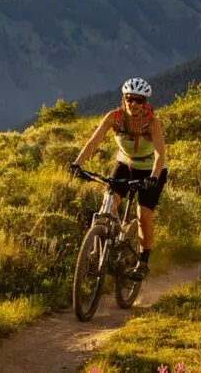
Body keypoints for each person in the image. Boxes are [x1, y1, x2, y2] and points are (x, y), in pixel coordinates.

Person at [66, 77, 167, 281]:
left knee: (143, 214)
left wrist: (153, 177)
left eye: (139, 100)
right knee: (106, 208)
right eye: (130, 99)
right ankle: (96, 251)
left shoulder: (153, 123)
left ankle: (143, 261)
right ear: (124, 99)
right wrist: (77, 164)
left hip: (150, 170)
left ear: (145, 102)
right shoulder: (114, 117)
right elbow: (93, 142)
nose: (134, 104)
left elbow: (160, 155)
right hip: (125, 165)